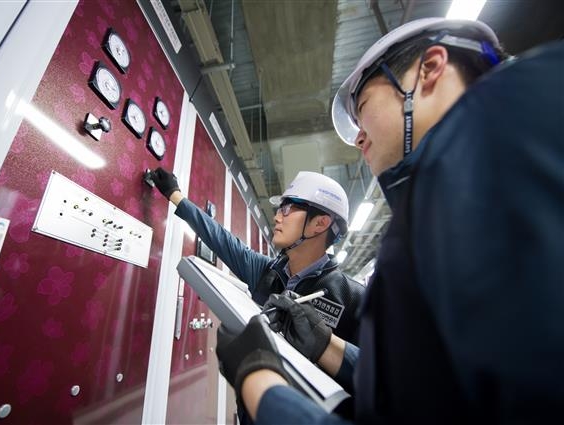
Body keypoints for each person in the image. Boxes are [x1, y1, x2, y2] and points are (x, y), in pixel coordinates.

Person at [215, 17, 564, 425]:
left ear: (430, 69)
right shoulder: (464, 173)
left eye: (362, 109)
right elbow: (428, 387)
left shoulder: (481, 156)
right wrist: (328, 347)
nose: (359, 138)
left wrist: (258, 379)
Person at [150, 168, 365, 344]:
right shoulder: (266, 273)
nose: (277, 217)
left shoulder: (354, 299)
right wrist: (175, 195)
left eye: (287, 208)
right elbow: (221, 239)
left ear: (320, 223)